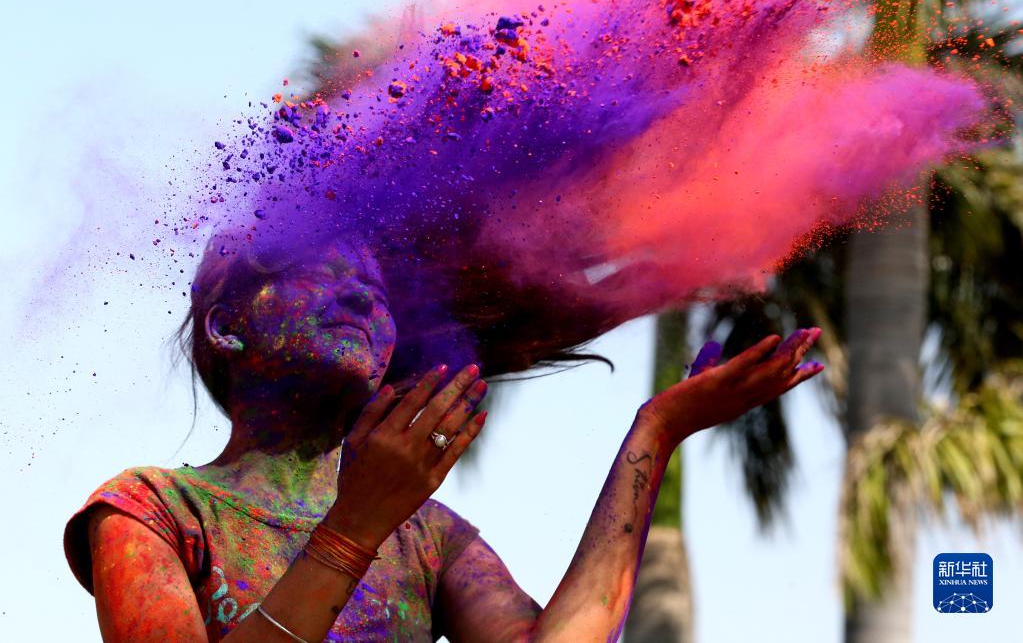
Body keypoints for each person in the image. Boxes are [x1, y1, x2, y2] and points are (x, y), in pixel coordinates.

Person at [64, 234, 823, 642]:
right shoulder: (149, 509)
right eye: (316, 273)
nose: (358, 295)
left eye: (374, 290)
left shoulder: (428, 537)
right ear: (228, 326)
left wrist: (655, 432)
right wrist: (354, 528)